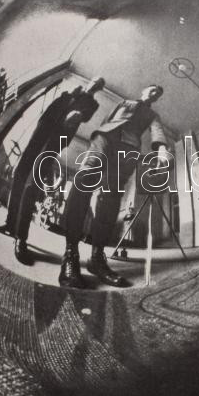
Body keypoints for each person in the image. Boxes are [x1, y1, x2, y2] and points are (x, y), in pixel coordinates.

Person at [59, 84, 169, 288]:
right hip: (105, 138)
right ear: (144, 90)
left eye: (158, 94)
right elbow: (107, 119)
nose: (155, 94)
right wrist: (97, 137)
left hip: (129, 149)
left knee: (112, 195)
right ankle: (70, 254)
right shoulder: (125, 102)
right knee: (84, 178)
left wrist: (161, 150)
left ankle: (97, 258)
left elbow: (157, 131)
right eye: (153, 90)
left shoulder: (153, 115)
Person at [0, 77, 105, 265]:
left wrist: (77, 112)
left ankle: (21, 237)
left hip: (57, 138)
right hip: (42, 130)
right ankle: (11, 225)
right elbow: (55, 106)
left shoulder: (92, 104)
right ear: (90, 81)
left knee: (33, 182)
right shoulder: (72, 92)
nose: (95, 84)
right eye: (95, 80)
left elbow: (83, 116)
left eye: (99, 84)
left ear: (99, 89)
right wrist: (71, 95)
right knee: (20, 174)